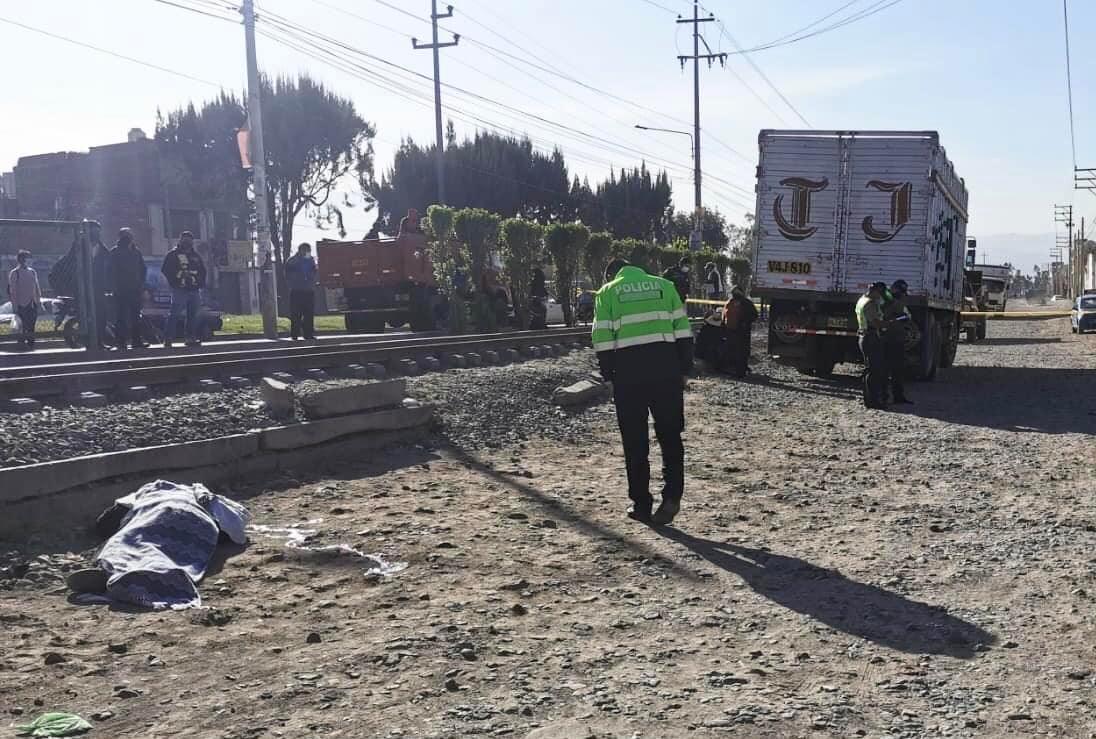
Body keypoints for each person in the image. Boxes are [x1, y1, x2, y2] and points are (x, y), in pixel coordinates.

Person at [593, 258, 693, 526]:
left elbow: (602, 339)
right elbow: (683, 331)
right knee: (670, 436)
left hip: (629, 377)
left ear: (612, 275)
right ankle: (672, 497)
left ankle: (641, 503)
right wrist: (684, 369)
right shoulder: (665, 286)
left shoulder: (608, 292)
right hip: (666, 371)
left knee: (635, 442)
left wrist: (608, 376)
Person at [161, 231, 207, 348]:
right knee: (174, 314)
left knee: (193, 315)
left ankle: (190, 337)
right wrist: (175, 281)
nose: (187, 242)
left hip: (194, 290)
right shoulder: (173, 254)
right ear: (180, 240)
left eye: (190, 239)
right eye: (185, 239)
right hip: (179, 289)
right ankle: (168, 338)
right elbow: (166, 270)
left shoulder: (195, 256)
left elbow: (202, 271)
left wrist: (199, 283)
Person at [109, 228, 148, 351]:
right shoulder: (115, 251)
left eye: (129, 235)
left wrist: (141, 285)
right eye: (125, 236)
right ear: (120, 237)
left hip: (135, 290)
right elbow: (110, 270)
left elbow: (143, 269)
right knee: (121, 317)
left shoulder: (136, 252)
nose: (128, 238)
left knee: (136, 317)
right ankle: (121, 343)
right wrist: (114, 287)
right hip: (120, 290)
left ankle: (137, 341)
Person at [855, 281, 888, 409]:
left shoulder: (862, 299)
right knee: (874, 370)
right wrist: (888, 324)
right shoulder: (870, 303)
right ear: (875, 292)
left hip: (865, 336)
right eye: (880, 294)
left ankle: (870, 399)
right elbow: (876, 323)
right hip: (870, 337)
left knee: (871, 369)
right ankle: (872, 401)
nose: (881, 297)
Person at [883, 279, 913, 405]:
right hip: (893, 339)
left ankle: (890, 396)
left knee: (888, 370)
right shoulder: (895, 303)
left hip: (887, 338)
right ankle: (895, 396)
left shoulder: (884, 300)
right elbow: (906, 317)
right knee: (895, 370)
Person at [7, 250, 42, 349]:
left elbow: (36, 287)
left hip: (32, 303)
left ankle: (31, 345)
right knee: (22, 326)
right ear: (20, 260)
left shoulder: (32, 271)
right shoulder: (15, 273)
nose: (28, 260)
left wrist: (39, 302)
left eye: (29, 258)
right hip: (21, 304)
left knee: (31, 326)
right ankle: (21, 345)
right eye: (26, 258)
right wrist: (15, 306)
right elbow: (13, 291)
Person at [722, 286, 759, 377]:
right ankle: (739, 370)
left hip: (735, 331)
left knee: (736, 351)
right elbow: (754, 315)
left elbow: (724, 317)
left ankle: (738, 371)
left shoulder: (731, 303)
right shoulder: (745, 303)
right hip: (740, 331)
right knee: (741, 352)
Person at [284, 242, 318, 340]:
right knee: (296, 313)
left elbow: (314, 272)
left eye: (309, 251)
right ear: (300, 250)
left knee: (309, 314)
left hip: (308, 290)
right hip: (296, 290)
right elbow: (288, 275)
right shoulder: (292, 261)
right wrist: (296, 281)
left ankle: (308, 333)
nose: (308, 252)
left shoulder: (311, 260)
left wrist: (312, 281)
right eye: (306, 250)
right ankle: (294, 334)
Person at [528, 263, 548, 330]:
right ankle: (540, 323)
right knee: (541, 310)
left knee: (541, 310)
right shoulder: (538, 277)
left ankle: (539, 323)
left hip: (537, 298)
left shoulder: (536, 278)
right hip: (537, 298)